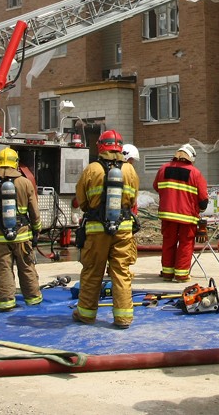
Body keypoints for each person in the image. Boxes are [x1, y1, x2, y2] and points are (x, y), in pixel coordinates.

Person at [73, 129, 139, 326]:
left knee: (92, 271)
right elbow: (133, 199)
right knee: (121, 272)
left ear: (101, 146)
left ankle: (86, 314)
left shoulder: (92, 169)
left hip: (96, 231)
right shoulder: (129, 170)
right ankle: (123, 317)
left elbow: (81, 200)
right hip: (123, 229)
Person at [0, 147, 42, 312]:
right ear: (16, 163)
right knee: (27, 267)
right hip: (22, 236)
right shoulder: (25, 183)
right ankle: (33, 299)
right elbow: (34, 210)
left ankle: (6, 303)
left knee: (3, 270)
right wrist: (37, 228)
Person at [153, 143, 208, 282]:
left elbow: (156, 187)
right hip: (187, 216)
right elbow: (203, 198)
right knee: (185, 243)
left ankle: (167, 273)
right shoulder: (195, 173)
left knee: (168, 242)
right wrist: (201, 209)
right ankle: (181, 275)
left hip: (167, 215)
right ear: (191, 158)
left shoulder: (163, 169)